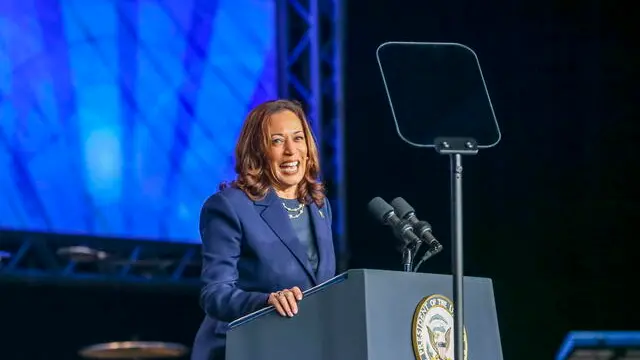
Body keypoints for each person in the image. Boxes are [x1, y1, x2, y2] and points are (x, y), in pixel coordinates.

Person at [190, 99, 337, 360]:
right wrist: (266, 301)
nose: (291, 151)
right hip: (241, 348)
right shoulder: (230, 206)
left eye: (298, 138)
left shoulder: (318, 205)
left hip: (300, 348)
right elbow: (215, 294)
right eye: (277, 141)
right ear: (257, 150)